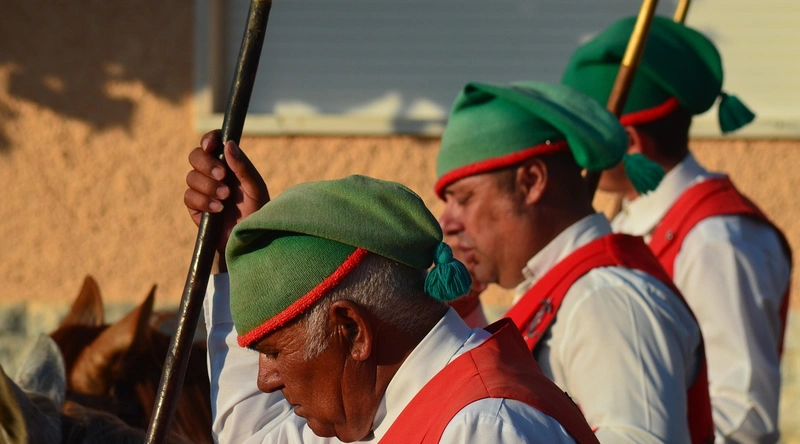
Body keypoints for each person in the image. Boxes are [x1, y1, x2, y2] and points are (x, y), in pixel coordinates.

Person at [184, 133, 600, 443]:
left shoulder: (482, 427)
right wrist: (243, 264)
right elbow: (253, 436)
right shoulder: (377, 407)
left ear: (352, 330)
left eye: (274, 352)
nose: (265, 380)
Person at [435, 80, 713, 443]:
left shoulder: (605, 300)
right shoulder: (562, 288)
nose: (447, 222)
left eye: (464, 198)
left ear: (532, 181)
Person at [561, 16, 792, 443]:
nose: (571, 155)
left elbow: (744, 420)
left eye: (581, 138)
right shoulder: (630, 218)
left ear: (629, 143)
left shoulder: (714, 241)